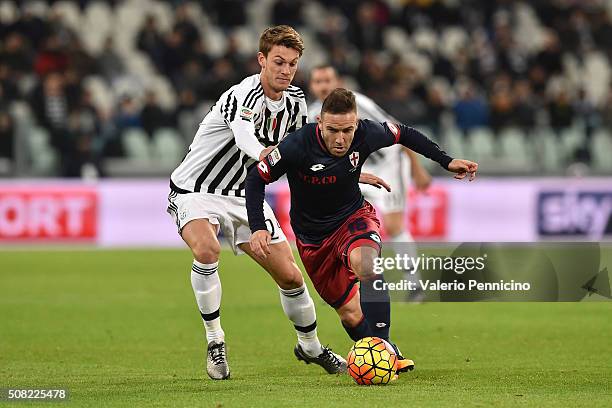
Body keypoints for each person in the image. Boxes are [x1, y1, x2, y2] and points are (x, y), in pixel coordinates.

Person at [245, 88, 478, 378]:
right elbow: (256, 178)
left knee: (367, 265)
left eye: (347, 130)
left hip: (353, 217)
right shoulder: (297, 144)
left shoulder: (367, 133)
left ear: (356, 123)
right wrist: (257, 227)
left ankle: (385, 351)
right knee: (351, 314)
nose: (341, 138)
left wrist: (446, 161)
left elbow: (404, 133)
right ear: (319, 122)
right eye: (332, 130)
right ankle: (379, 352)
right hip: (313, 239)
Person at [166, 26, 346, 380]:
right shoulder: (242, 94)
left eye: (293, 64)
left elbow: (301, 152)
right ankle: (215, 340)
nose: (285, 70)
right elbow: (245, 135)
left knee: (291, 276)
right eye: (278, 61)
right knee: (206, 250)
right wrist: (268, 155)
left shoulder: (295, 103)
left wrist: (346, 174)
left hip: (246, 194)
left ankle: (310, 347)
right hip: (196, 191)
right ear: (262, 60)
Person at [308, 65, 431, 301]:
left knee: (394, 226)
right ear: (312, 85)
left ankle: (415, 286)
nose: (323, 86)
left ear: (338, 81)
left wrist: (417, 169)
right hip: (356, 171)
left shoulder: (358, 104)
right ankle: (356, 286)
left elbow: (398, 132)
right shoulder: (313, 113)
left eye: (327, 80)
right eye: (317, 81)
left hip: (389, 165)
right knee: (344, 226)